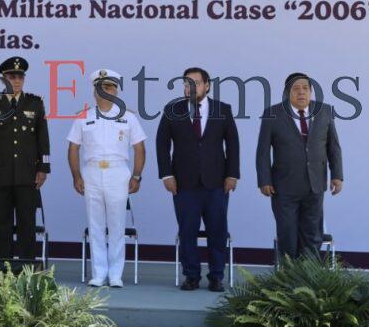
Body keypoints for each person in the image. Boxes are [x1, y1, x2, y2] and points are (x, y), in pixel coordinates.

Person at [156, 67, 240, 292]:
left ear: (206, 86)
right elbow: (162, 144)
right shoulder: (173, 110)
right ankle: (191, 275)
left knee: (217, 231)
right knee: (187, 232)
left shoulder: (223, 109)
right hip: (183, 184)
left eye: (194, 83)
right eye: (186, 83)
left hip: (217, 183)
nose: (189, 87)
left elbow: (232, 144)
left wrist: (232, 174)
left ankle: (216, 276)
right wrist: (166, 174)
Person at [67, 69, 146, 288]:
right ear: (95, 92)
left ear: (116, 91)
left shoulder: (128, 117)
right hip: (91, 171)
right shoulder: (84, 117)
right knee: (95, 225)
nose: (106, 91)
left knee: (117, 224)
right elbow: (73, 148)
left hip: (118, 171)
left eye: (110, 87)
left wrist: (137, 176)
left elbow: (140, 148)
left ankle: (115, 274)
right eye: (102, 88)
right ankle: (99, 273)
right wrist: (76, 175)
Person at [257, 72, 343, 259]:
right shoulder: (272, 114)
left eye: (305, 88)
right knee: (287, 234)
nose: (301, 92)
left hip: (315, 185)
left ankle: (308, 279)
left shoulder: (325, 111)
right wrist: (264, 180)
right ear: (288, 92)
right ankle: (288, 279)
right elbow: (263, 152)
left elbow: (333, 147)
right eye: (296, 88)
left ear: (311, 91)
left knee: (312, 234)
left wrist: (337, 175)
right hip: (284, 186)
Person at [0, 56, 49, 261]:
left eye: (20, 77)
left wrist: (43, 168)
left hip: (28, 175)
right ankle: (4, 271)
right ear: (3, 79)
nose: (16, 81)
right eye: (11, 77)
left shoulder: (35, 103)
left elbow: (42, 138)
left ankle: (27, 270)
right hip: (0, 175)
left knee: (27, 224)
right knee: (3, 225)